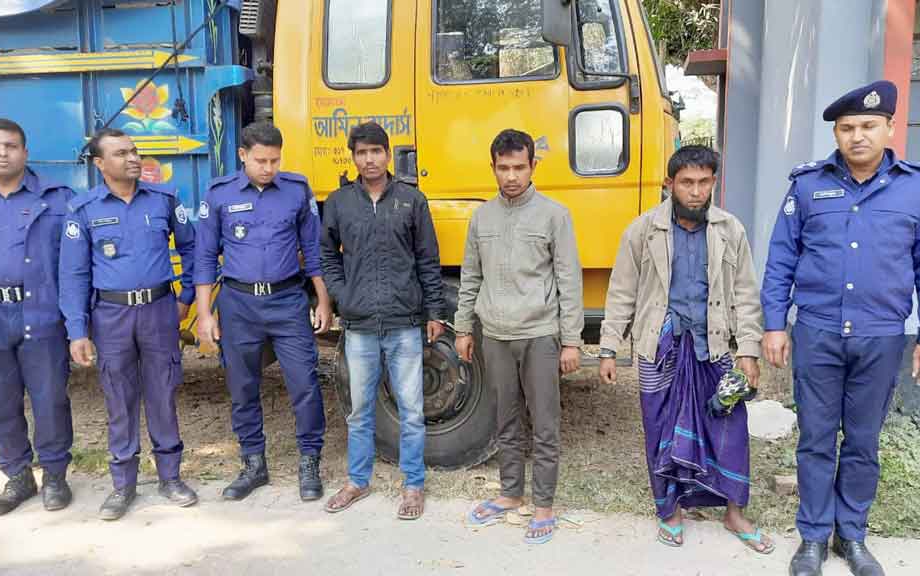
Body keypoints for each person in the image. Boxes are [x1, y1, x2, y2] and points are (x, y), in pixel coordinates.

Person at [761, 80, 920, 576]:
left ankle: (853, 537)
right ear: (837, 134)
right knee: (816, 439)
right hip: (818, 332)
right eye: (847, 128)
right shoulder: (807, 185)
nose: (857, 136)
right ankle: (813, 539)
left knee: (863, 442)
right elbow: (781, 258)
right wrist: (774, 325)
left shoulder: (918, 187)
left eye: (868, 126)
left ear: (889, 127)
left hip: (881, 335)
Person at [598, 145, 773, 554]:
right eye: (687, 183)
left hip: (713, 345)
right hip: (659, 347)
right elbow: (621, 291)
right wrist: (608, 347)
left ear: (714, 183)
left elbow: (746, 294)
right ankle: (671, 513)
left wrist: (748, 348)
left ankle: (734, 513)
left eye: (703, 182)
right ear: (670, 185)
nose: (695, 192)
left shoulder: (730, 230)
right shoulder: (642, 231)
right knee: (660, 430)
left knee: (730, 429)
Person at [59, 128, 198, 520]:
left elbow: (192, 248)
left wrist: (185, 298)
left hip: (158, 311)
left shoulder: (165, 200)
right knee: (119, 398)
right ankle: (123, 485)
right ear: (100, 164)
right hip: (111, 316)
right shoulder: (83, 210)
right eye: (121, 153)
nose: (133, 158)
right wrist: (77, 330)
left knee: (163, 393)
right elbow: (73, 275)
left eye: (135, 151)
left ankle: (170, 477)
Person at [194, 122, 332, 503]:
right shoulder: (219, 194)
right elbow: (205, 257)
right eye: (260, 160)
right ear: (242, 155)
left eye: (274, 160)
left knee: (304, 382)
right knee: (243, 387)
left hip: (288, 300)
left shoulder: (296, 190)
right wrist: (205, 314)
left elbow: (313, 250)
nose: (268, 168)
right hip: (238, 304)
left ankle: (309, 461)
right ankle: (253, 463)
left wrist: (322, 299)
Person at [457, 129, 583, 545]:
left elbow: (569, 281)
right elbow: (470, 276)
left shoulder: (554, 215)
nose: (511, 176)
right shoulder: (482, 217)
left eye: (519, 167)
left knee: (545, 424)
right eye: (503, 168)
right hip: (494, 334)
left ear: (533, 166)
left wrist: (571, 341)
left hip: (540, 335)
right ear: (492, 167)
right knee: (505, 420)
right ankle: (511, 494)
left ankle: (544, 504)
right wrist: (462, 328)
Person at [320, 122, 446, 520]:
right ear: (353, 157)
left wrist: (435, 312)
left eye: (376, 151)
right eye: (361, 153)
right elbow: (327, 255)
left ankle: (412, 486)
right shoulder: (340, 202)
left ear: (388, 155)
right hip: (358, 326)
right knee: (359, 410)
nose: (369, 159)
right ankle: (358, 481)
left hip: (404, 323)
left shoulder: (411, 200)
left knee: (410, 408)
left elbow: (428, 261)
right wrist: (343, 295)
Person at [0, 118, 74, 515]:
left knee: (50, 400)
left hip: (41, 313)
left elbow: (75, 263)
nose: (2, 153)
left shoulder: (57, 199)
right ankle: (18, 477)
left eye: (10, 146)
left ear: (25, 152)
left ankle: (55, 476)